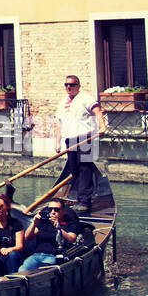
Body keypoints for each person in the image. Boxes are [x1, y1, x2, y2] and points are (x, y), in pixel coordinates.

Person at [58, 74, 105, 211]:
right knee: (74, 169)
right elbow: (60, 124)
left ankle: (85, 201)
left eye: (72, 85)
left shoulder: (85, 98)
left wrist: (102, 127)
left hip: (85, 138)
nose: (69, 87)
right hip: (70, 139)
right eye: (66, 85)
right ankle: (78, 198)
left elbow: (97, 111)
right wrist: (57, 143)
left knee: (84, 168)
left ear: (78, 86)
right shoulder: (63, 102)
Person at [19, 203, 79, 272]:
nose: (53, 212)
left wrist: (58, 228)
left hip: (53, 256)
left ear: (63, 211)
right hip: (37, 255)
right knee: (22, 270)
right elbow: (27, 237)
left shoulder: (69, 224)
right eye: (50, 209)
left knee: (42, 271)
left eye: (56, 210)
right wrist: (34, 223)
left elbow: (72, 238)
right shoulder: (44, 223)